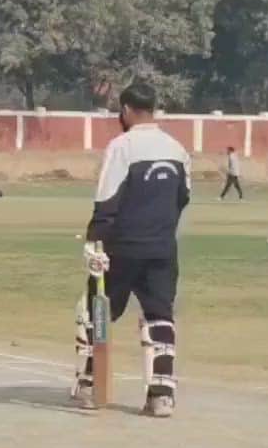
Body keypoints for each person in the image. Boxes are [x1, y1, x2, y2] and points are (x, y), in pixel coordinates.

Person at [74, 83, 190, 417]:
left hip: (122, 247)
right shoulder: (176, 148)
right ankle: (161, 395)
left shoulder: (121, 147)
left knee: (95, 312)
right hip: (162, 247)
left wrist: (95, 242)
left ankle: (89, 384)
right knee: (159, 315)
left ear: (126, 110)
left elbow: (107, 201)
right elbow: (183, 197)